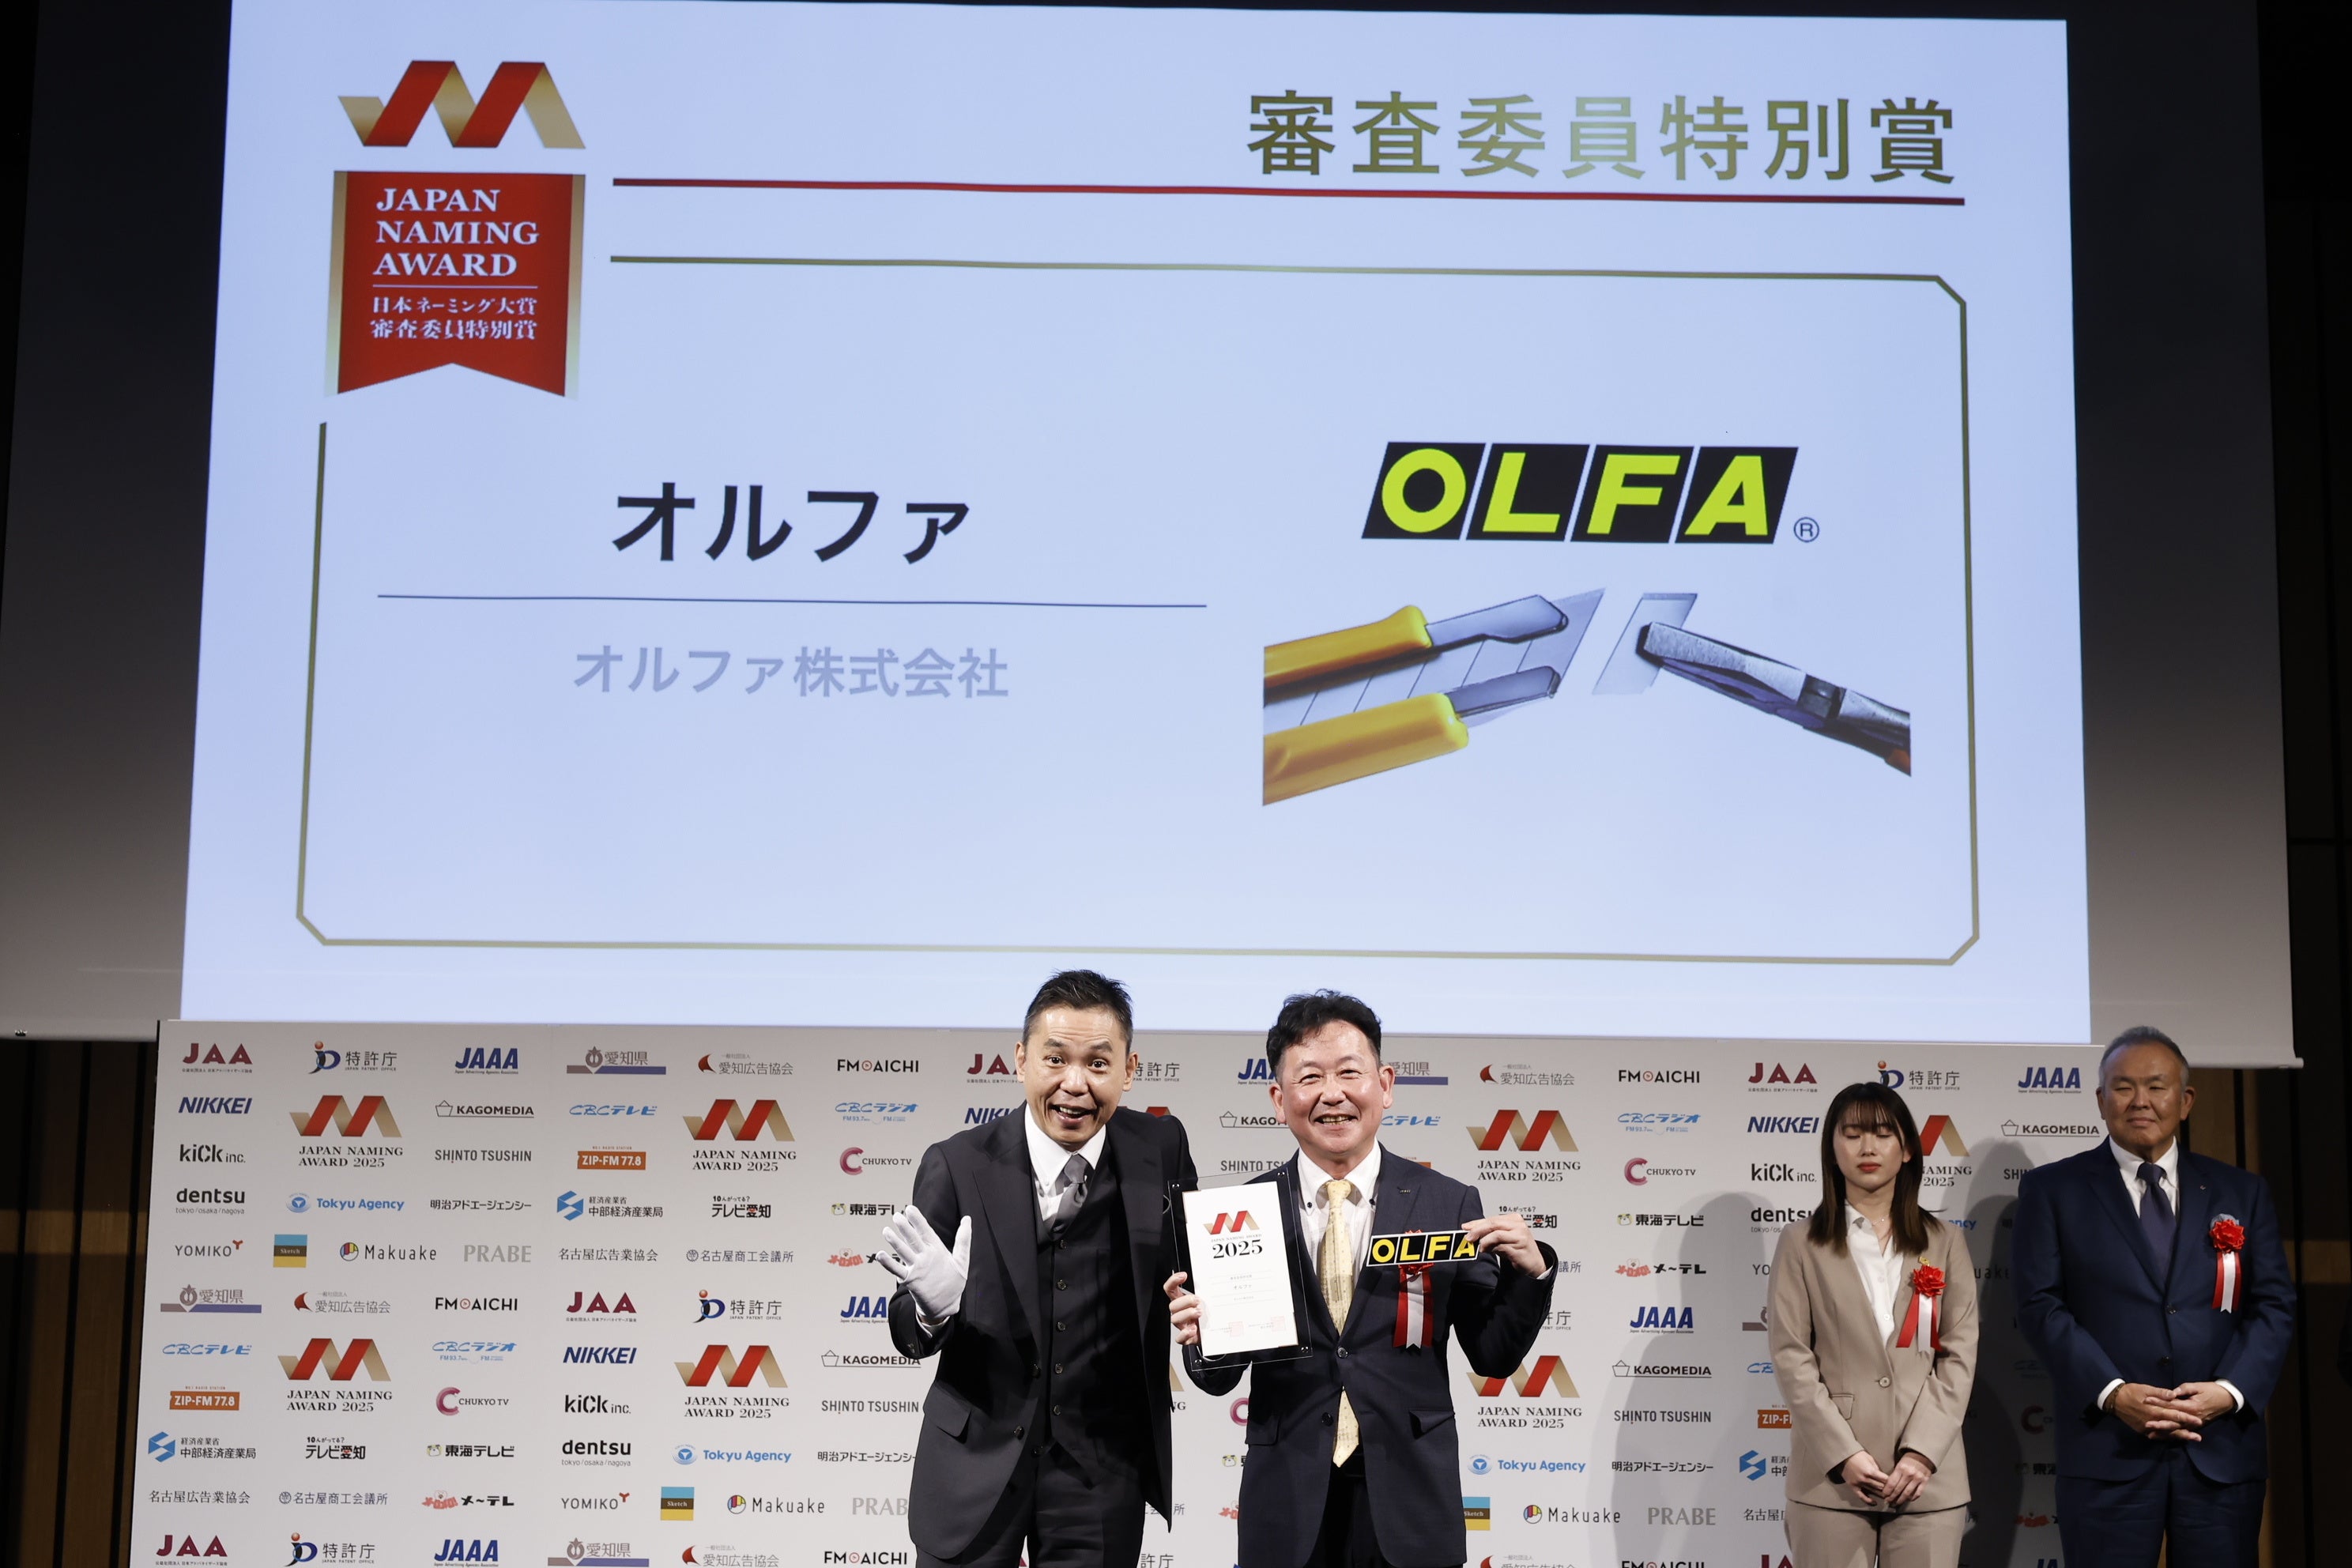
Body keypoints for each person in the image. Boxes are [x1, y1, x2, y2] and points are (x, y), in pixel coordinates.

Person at [1167, 990, 1555, 1568]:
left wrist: (1531, 1272)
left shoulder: (1447, 1203)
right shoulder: (1239, 1213)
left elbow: (1493, 1356)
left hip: (1410, 1499)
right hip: (1288, 1502)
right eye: (1310, 1077)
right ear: (1279, 1100)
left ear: (1385, 1085)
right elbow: (1218, 1380)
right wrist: (1200, 1338)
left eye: (1350, 1072)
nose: (1333, 1094)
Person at [877, 970, 1198, 1568]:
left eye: (1098, 1064)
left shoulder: (1162, 1149)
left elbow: (1193, 1279)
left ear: (1129, 1070)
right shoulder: (957, 1163)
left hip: (1100, 1472)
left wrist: (1209, 1323)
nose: (1074, 1084)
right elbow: (904, 1324)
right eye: (1055, 1060)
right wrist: (931, 1310)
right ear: (1021, 1061)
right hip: (974, 1463)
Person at [2012, 1026, 2294, 1568]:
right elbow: (2040, 1306)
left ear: (2185, 1101)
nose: (2140, 1101)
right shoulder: (2053, 1191)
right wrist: (2113, 1393)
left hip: (2219, 1452)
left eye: (2156, 1086)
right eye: (2123, 1087)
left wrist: (2229, 1392)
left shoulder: (2242, 1191)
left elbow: (2273, 1306)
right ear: (2101, 1101)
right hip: (2107, 1453)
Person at [1770, 1081, 1977, 1568]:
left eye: (1883, 1134)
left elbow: (1958, 1356)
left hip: (1929, 1480)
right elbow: (1791, 1356)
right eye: (1853, 1134)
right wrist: (1843, 1455)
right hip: (1830, 1482)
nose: (1868, 1147)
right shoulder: (1800, 1243)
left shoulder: (1945, 1241)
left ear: (1907, 1150)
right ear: (1832, 1148)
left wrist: (1921, 1453)